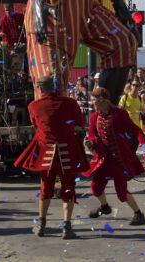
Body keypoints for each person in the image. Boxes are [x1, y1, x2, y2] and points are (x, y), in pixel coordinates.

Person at [14, 75, 88, 238]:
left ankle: (41, 224)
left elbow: (35, 123)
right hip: (67, 152)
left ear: (39, 89)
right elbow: (81, 122)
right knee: (68, 188)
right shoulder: (70, 103)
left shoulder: (34, 105)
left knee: (45, 188)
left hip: (47, 153)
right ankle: (66, 227)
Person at [83, 86, 145, 225]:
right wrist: (90, 143)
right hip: (103, 159)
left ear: (102, 100)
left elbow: (136, 130)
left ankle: (138, 214)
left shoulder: (120, 114)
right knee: (96, 187)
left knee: (121, 192)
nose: (92, 102)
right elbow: (93, 136)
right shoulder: (94, 116)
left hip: (119, 159)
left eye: (94, 100)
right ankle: (105, 207)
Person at [118, 81, 144, 152]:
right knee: (129, 146)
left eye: (137, 85)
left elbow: (142, 110)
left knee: (135, 146)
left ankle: (131, 161)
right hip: (127, 126)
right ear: (131, 86)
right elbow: (119, 109)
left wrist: (141, 112)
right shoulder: (125, 97)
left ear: (139, 87)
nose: (135, 87)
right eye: (133, 85)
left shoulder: (140, 99)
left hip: (136, 127)